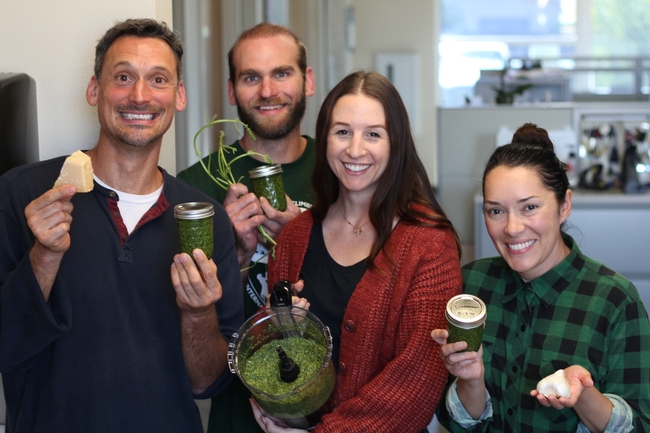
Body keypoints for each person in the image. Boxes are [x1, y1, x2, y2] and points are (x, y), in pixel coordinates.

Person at [0, 19, 243, 433]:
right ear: (94, 89)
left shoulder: (204, 217)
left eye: (158, 79)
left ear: (178, 96)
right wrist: (44, 256)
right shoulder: (23, 193)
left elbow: (208, 382)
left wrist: (199, 313)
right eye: (124, 77)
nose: (140, 96)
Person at [250, 71, 463, 433]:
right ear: (325, 138)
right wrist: (284, 333)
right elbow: (280, 361)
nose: (354, 149)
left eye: (373, 134)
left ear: (396, 143)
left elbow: (418, 378)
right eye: (343, 131)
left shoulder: (429, 245)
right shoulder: (294, 238)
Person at [431, 124, 650, 432]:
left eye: (529, 207)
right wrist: (471, 381)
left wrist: (583, 395)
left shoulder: (615, 301)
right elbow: (455, 423)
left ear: (565, 205)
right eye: (496, 211)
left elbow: (640, 426)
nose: (512, 228)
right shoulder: (471, 286)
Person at [176, 22, 317, 433]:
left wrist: (304, 236)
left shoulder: (345, 171)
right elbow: (185, 333)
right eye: (251, 77)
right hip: (237, 415)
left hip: (336, 406)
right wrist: (230, 251)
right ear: (231, 90)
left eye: (282, 73)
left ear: (307, 80)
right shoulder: (193, 190)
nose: (268, 91)